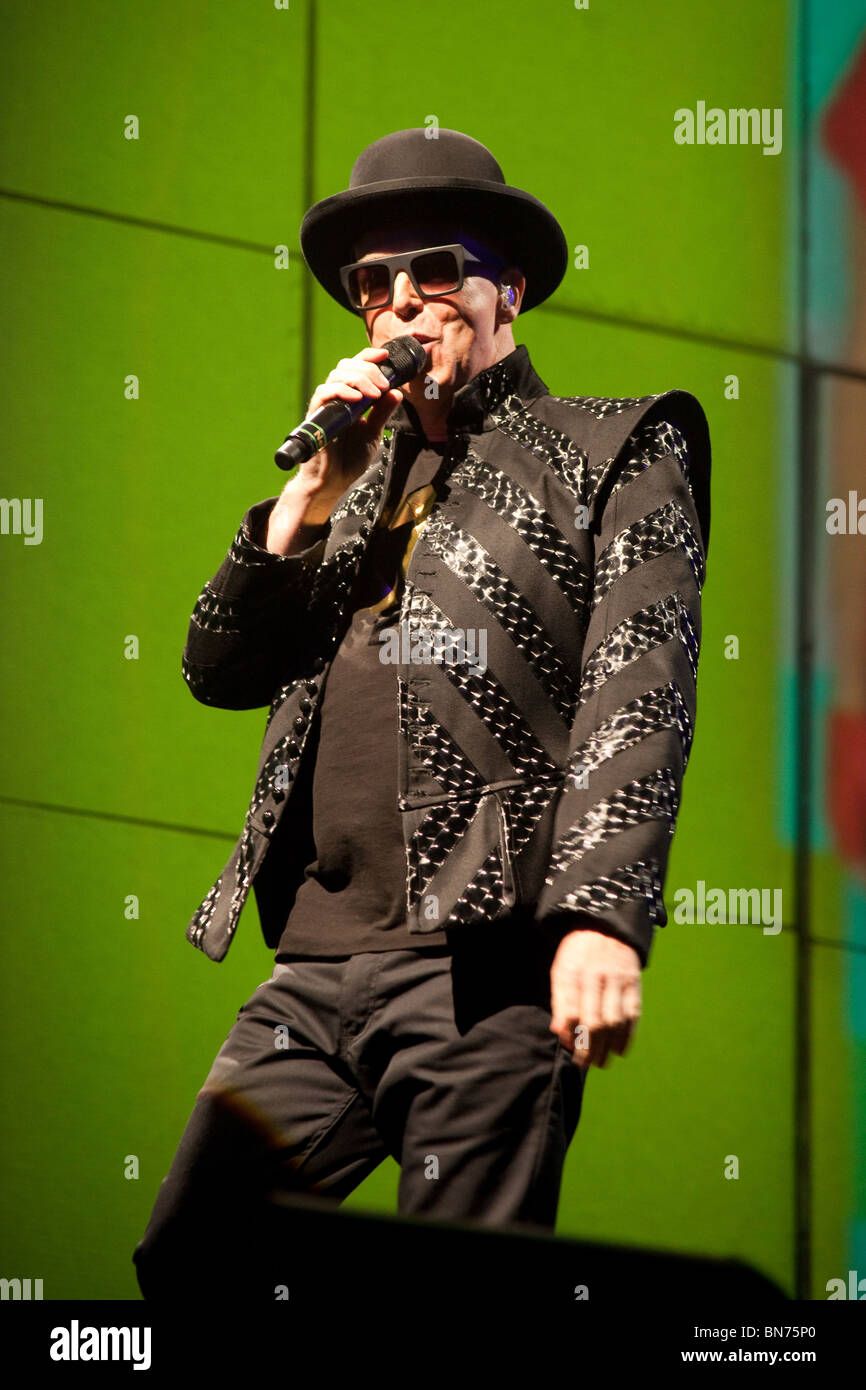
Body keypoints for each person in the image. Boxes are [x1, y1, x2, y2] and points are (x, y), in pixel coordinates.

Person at [133, 127, 711, 1298]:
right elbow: (215, 666)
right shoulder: (349, 488)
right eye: (370, 284)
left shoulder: (609, 444)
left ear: (506, 290)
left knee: (459, 1295)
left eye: (434, 271)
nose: (400, 303)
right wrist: (302, 499)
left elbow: (637, 686)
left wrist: (598, 915)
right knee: (190, 1255)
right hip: (312, 963)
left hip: (483, 956)